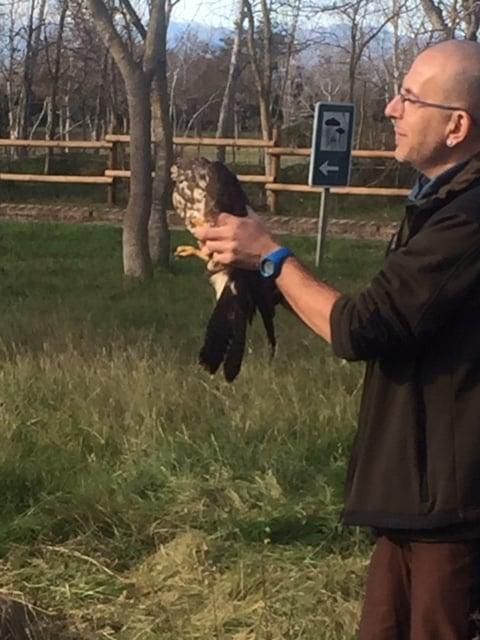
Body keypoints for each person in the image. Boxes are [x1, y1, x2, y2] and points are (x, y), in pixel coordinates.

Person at [194, 39, 480, 639]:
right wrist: (256, 277)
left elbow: (360, 327)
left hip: (453, 510)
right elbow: (373, 323)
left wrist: (271, 256)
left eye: (408, 96)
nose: (389, 108)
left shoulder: (469, 218)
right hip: (413, 496)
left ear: (457, 126)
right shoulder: (440, 204)